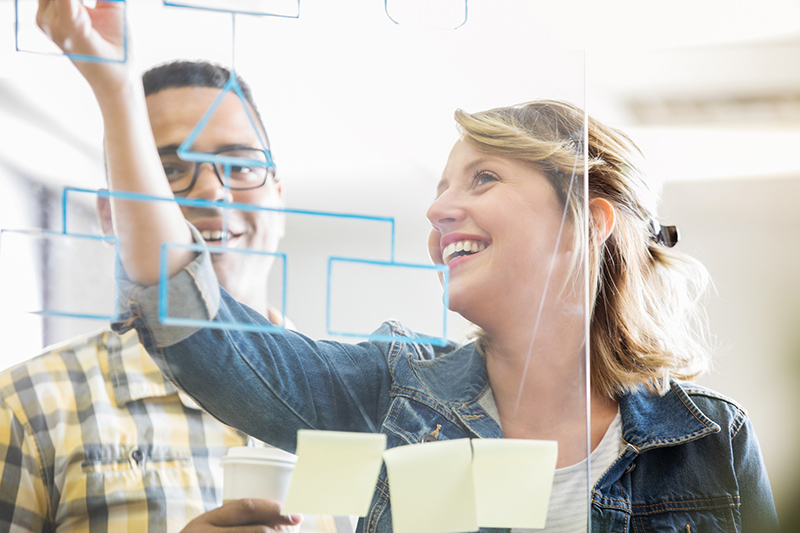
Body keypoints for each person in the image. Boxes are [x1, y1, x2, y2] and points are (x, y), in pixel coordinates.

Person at [34, 1, 780, 532]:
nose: (440, 210)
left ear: (588, 220)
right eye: (439, 188)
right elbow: (188, 322)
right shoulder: (392, 399)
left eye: (482, 179)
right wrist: (111, 86)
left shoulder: (710, 443)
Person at [0, 37, 339, 533]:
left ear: (279, 200)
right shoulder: (27, 406)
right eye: (170, 171)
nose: (212, 191)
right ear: (111, 213)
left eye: (241, 165)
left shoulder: (351, 404)